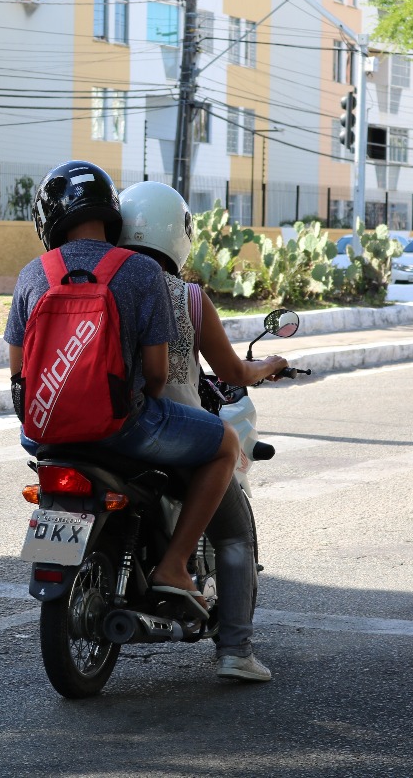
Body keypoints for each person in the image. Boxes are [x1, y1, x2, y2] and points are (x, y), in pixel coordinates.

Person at [5, 161, 238, 617]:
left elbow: (18, 372)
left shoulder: (33, 274)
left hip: (44, 435)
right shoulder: (140, 271)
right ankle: (174, 565)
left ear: (49, 219)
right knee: (225, 444)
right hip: (122, 428)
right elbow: (156, 375)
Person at [118, 180, 288, 683]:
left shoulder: (105, 281)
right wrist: (270, 364)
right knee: (234, 531)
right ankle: (235, 650)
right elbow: (232, 372)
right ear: (180, 234)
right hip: (168, 435)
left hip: (101, 429)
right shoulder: (188, 297)